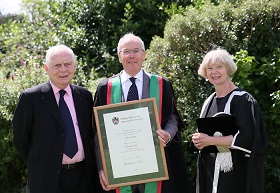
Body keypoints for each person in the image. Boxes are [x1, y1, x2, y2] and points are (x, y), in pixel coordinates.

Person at [93, 33, 191, 193]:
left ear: (144, 55)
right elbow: (98, 132)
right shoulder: (106, 88)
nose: (131, 56)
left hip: (155, 165)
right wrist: (101, 168)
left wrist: (168, 134)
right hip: (119, 167)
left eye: (136, 51)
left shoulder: (161, 84)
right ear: (119, 57)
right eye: (126, 51)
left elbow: (172, 116)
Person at [12, 45, 99, 193]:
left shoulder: (84, 96)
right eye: (57, 65)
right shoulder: (30, 98)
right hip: (46, 180)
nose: (63, 70)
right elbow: (21, 140)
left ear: (75, 66)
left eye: (67, 64)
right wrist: (41, 163)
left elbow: (92, 134)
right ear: (46, 68)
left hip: (83, 177)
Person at [192, 48, 268, 193]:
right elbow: (204, 135)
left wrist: (210, 140)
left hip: (236, 175)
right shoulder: (208, 102)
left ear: (228, 68)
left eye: (219, 67)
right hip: (210, 171)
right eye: (210, 68)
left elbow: (248, 139)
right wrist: (199, 140)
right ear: (205, 72)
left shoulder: (243, 100)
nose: (214, 72)